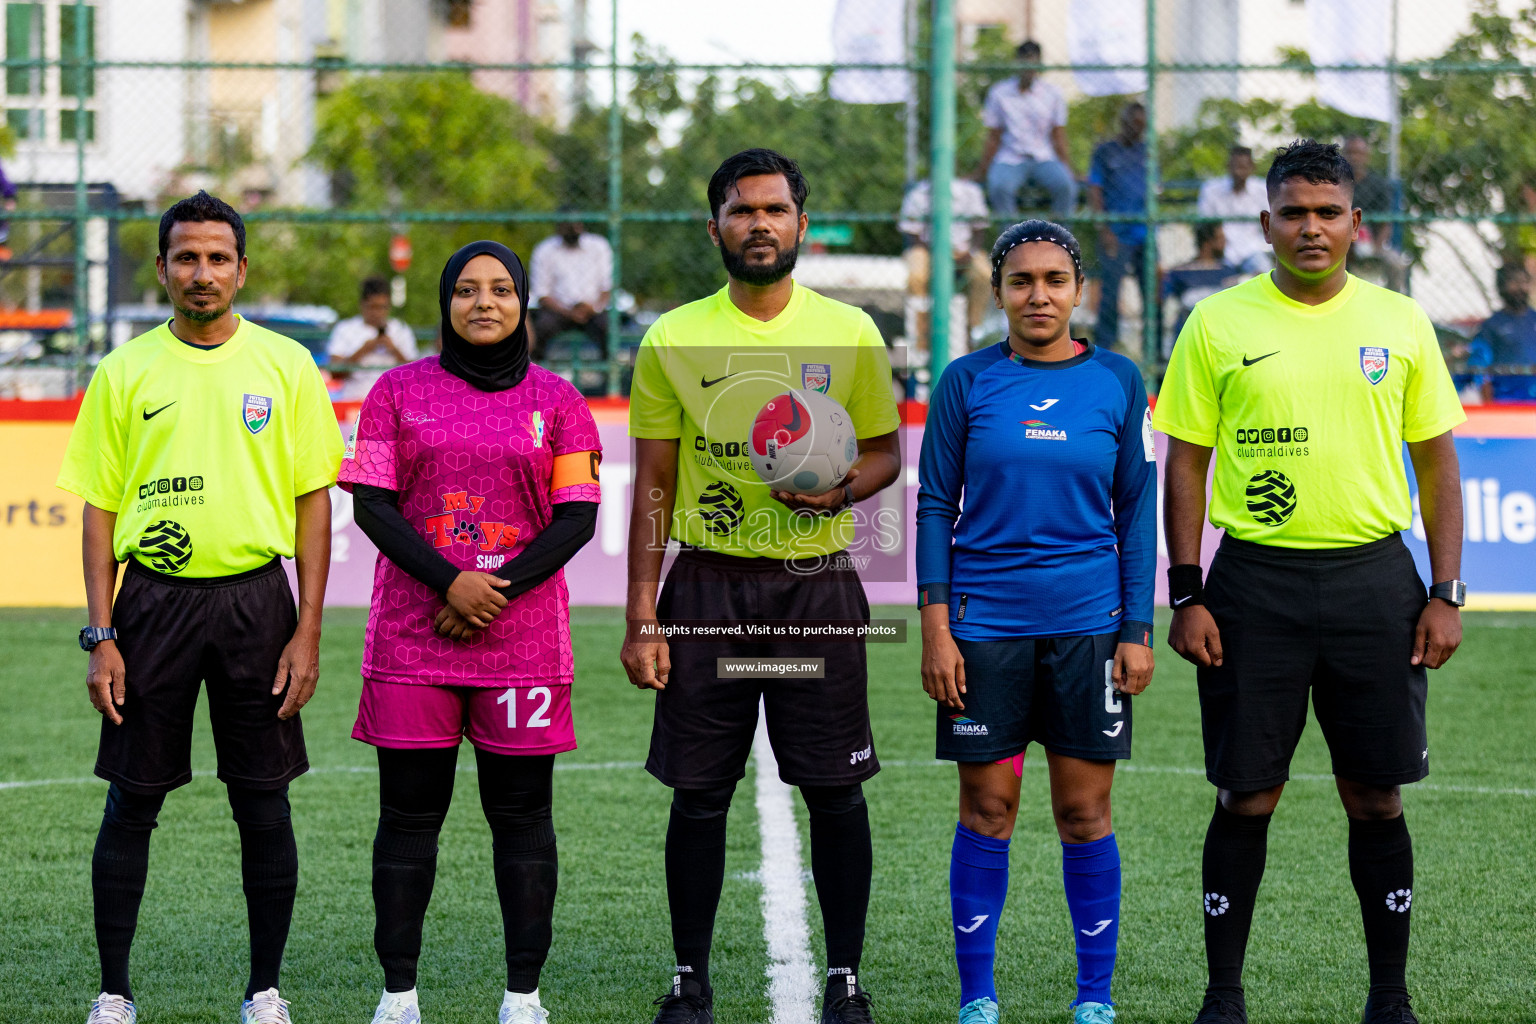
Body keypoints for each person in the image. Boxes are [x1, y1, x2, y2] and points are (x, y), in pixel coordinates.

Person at [1155, 141, 1466, 1024]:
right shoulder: (1217, 322)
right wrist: (1188, 591)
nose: (1312, 228)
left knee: (1376, 793)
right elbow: (1186, 462)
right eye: (1294, 212)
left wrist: (1447, 590)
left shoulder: (1402, 322)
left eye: (1329, 212)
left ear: (1356, 225)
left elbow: (1438, 465)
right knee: (1247, 792)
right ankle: (1223, 997)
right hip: (1256, 583)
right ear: (1266, 225)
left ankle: (1389, 998)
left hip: (1377, 582)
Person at [620, 148, 902, 1024]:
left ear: (801, 225)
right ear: (715, 229)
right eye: (743, 212)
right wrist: (641, 614)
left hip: (816, 589)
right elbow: (654, 483)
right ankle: (688, 976)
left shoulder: (851, 332)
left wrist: (840, 489)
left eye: (776, 210)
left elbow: (887, 452)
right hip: (707, 592)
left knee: (833, 788)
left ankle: (845, 977)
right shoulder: (673, 337)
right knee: (701, 790)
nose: (760, 225)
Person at [56, 190, 344, 1024]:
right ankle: (114, 992)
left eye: (219, 258)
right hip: (150, 606)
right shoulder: (124, 370)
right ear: (161, 270)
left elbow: (313, 502)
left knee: (263, 800)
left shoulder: (286, 366)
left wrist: (309, 627)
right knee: (132, 799)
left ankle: (264, 992)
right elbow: (100, 508)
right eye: (187, 257)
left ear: (243, 269)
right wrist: (101, 633)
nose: (203, 272)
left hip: (258, 601)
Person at [337, 240, 602, 1024]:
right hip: (414, 642)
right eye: (465, 290)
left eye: (499, 289)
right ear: (445, 303)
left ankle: (523, 996)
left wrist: (491, 590)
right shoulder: (394, 389)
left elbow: (578, 516)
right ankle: (399, 995)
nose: (482, 303)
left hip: (521, 645)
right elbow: (372, 504)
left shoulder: (560, 399)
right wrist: (449, 581)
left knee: (522, 818)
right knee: (408, 818)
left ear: (523, 301)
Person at [916, 220, 1156, 1024]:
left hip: (1091, 628)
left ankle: (1095, 998)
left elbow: (1136, 511)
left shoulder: (1119, 381)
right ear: (998, 291)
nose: (1039, 294)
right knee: (988, 810)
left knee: (1084, 812)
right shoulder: (965, 381)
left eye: (1055, 279)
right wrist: (936, 627)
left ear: (1078, 290)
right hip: (984, 630)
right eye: (1021, 281)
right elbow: (932, 506)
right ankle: (978, 997)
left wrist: (1138, 630)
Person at [977, 41, 1077, 218]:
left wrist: (1068, 167)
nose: (1028, 69)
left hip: (1044, 157)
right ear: (1017, 63)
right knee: (999, 187)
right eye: (1024, 63)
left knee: (1066, 187)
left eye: (1033, 63)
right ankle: (1012, 241)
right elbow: (994, 135)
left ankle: (1059, 241)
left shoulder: (1052, 93)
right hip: (1010, 157)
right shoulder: (1000, 93)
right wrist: (983, 169)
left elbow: (1058, 134)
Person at [899, 171, 993, 353]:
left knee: (984, 274)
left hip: (964, 249)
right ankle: (921, 334)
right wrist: (936, 253)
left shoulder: (970, 192)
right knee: (916, 276)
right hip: (927, 249)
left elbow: (979, 229)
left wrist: (971, 251)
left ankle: (972, 330)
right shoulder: (917, 194)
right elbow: (912, 234)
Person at [1086, 101, 1153, 350]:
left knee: (1152, 295)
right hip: (1116, 233)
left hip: (1144, 233)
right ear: (1123, 123)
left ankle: (1153, 354)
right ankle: (1105, 349)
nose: (1136, 130)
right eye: (1132, 124)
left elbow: (1154, 193)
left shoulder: (1147, 153)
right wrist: (1104, 229)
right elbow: (1095, 190)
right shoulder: (1105, 152)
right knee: (1110, 295)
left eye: (1141, 126)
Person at [529, 215, 613, 357]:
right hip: (557, 311)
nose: (573, 229)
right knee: (540, 328)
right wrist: (569, 313)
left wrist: (594, 307)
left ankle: (609, 375)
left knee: (609, 328)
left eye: (576, 225)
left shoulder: (599, 246)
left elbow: (607, 287)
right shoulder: (545, 250)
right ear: (559, 227)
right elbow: (542, 294)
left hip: (591, 310)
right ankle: (536, 374)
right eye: (568, 226)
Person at [327, 276, 420, 399]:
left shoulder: (401, 330)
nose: (377, 313)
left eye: (382, 307)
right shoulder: (345, 328)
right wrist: (363, 350)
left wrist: (394, 350)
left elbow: (416, 374)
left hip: (393, 401)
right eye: (372, 307)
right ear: (362, 304)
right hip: (356, 399)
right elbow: (335, 372)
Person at [1342, 135, 1409, 292]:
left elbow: (1387, 222)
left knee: (1396, 264)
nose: (1354, 157)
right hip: (1342, 244)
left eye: (1359, 153)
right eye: (1350, 152)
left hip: (1372, 243)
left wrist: (1375, 248)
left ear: (1367, 156)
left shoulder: (1379, 184)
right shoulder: (1337, 183)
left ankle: (1395, 304)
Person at [1161, 223, 1239, 353]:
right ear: (1208, 242)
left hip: (1222, 339)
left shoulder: (1229, 271)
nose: (1225, 243)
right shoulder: (1182, 271)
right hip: (1189, 337)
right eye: (1220, 238)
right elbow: (1160, 299)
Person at [1196, 147, 1269, 275]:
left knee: (1264, 273)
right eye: (1235, 166)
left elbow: (1271, 223)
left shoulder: (1262, 190)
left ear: (1252, 167)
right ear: (1228, 166)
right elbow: (1204, 224)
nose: (1238, 172)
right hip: (1222, 252)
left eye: (1243, 167)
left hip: (1254, 250)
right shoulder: (1211, 189)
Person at [1469, 263, 1536, 402]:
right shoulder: (1491, 326)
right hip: (1505, 402)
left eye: (1524, 282)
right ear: (1501, 287)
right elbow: (1481, 369)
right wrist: (1489, 407)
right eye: (1514, 282)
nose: (1520, 287)